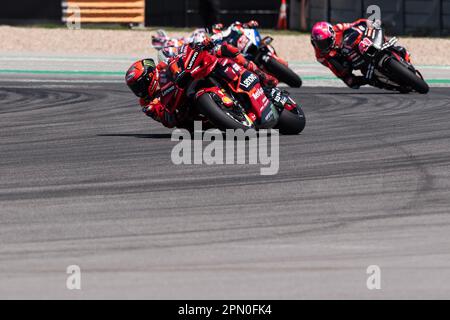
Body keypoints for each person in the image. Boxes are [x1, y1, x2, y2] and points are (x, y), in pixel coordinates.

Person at [125, 40, 278, 129]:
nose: (139, 91)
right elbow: (167, 121)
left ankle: (261, 75)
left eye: (139, 86)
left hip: (192, 77)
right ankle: (226, 115)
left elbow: (179, 53)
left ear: (150, 76)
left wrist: (199, 45)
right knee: (190, 128)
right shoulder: (147, 103)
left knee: (223, 51)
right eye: (135, 89)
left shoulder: (163, 68)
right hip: (190, 112)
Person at [311, 19, 411, 89]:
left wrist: (368, 24)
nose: (322, 46)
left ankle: (386, 45)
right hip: (351, 61)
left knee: (400, 48)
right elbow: (335, 69)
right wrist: (347, 78)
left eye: (324, 42)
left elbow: (357, 23)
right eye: (319, 43)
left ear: (331, 35)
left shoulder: (338, 28)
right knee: (354, 82)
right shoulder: (320, 55)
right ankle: (386, 83)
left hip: (359, 46)